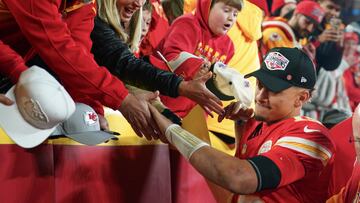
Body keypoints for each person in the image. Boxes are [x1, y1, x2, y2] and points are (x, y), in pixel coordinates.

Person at [147, 47, 335, 203]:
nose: (260, 96)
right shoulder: (255, 124)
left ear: (301, 98)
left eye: (274, 91)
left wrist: (171, 129)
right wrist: (242, 127)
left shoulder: (311, 135)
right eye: (260, 85)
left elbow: (238, 177)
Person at [149, 0, 242, 118]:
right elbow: (172, 56)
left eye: (235, 14)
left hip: (192, 115)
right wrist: (201, 66)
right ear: (208, 6)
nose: (231, 18)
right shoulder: (186, 23)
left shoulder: (229, 46)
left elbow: (214, 84)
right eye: (226, 10)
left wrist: (234, 95)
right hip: (160, 103)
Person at [261, 1, 325, 57]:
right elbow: (274, 69)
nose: (309, 29)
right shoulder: (275, 33)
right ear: (296, 13)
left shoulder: (301, 40)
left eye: (314, 27)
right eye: (307, 22)